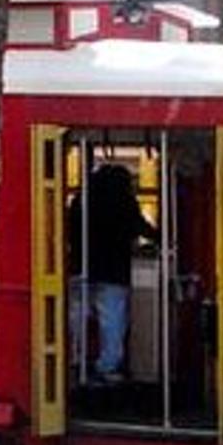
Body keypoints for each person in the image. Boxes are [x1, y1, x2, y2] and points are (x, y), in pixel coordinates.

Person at [86, 162, 155, 382]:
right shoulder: (123, 202)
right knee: (112, 321)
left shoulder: (83, 200)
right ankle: (107, 367)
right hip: (113, 271)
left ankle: (75, 363)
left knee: (76, 320)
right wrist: (162, 238)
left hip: (79, 268)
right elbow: (140, 227)